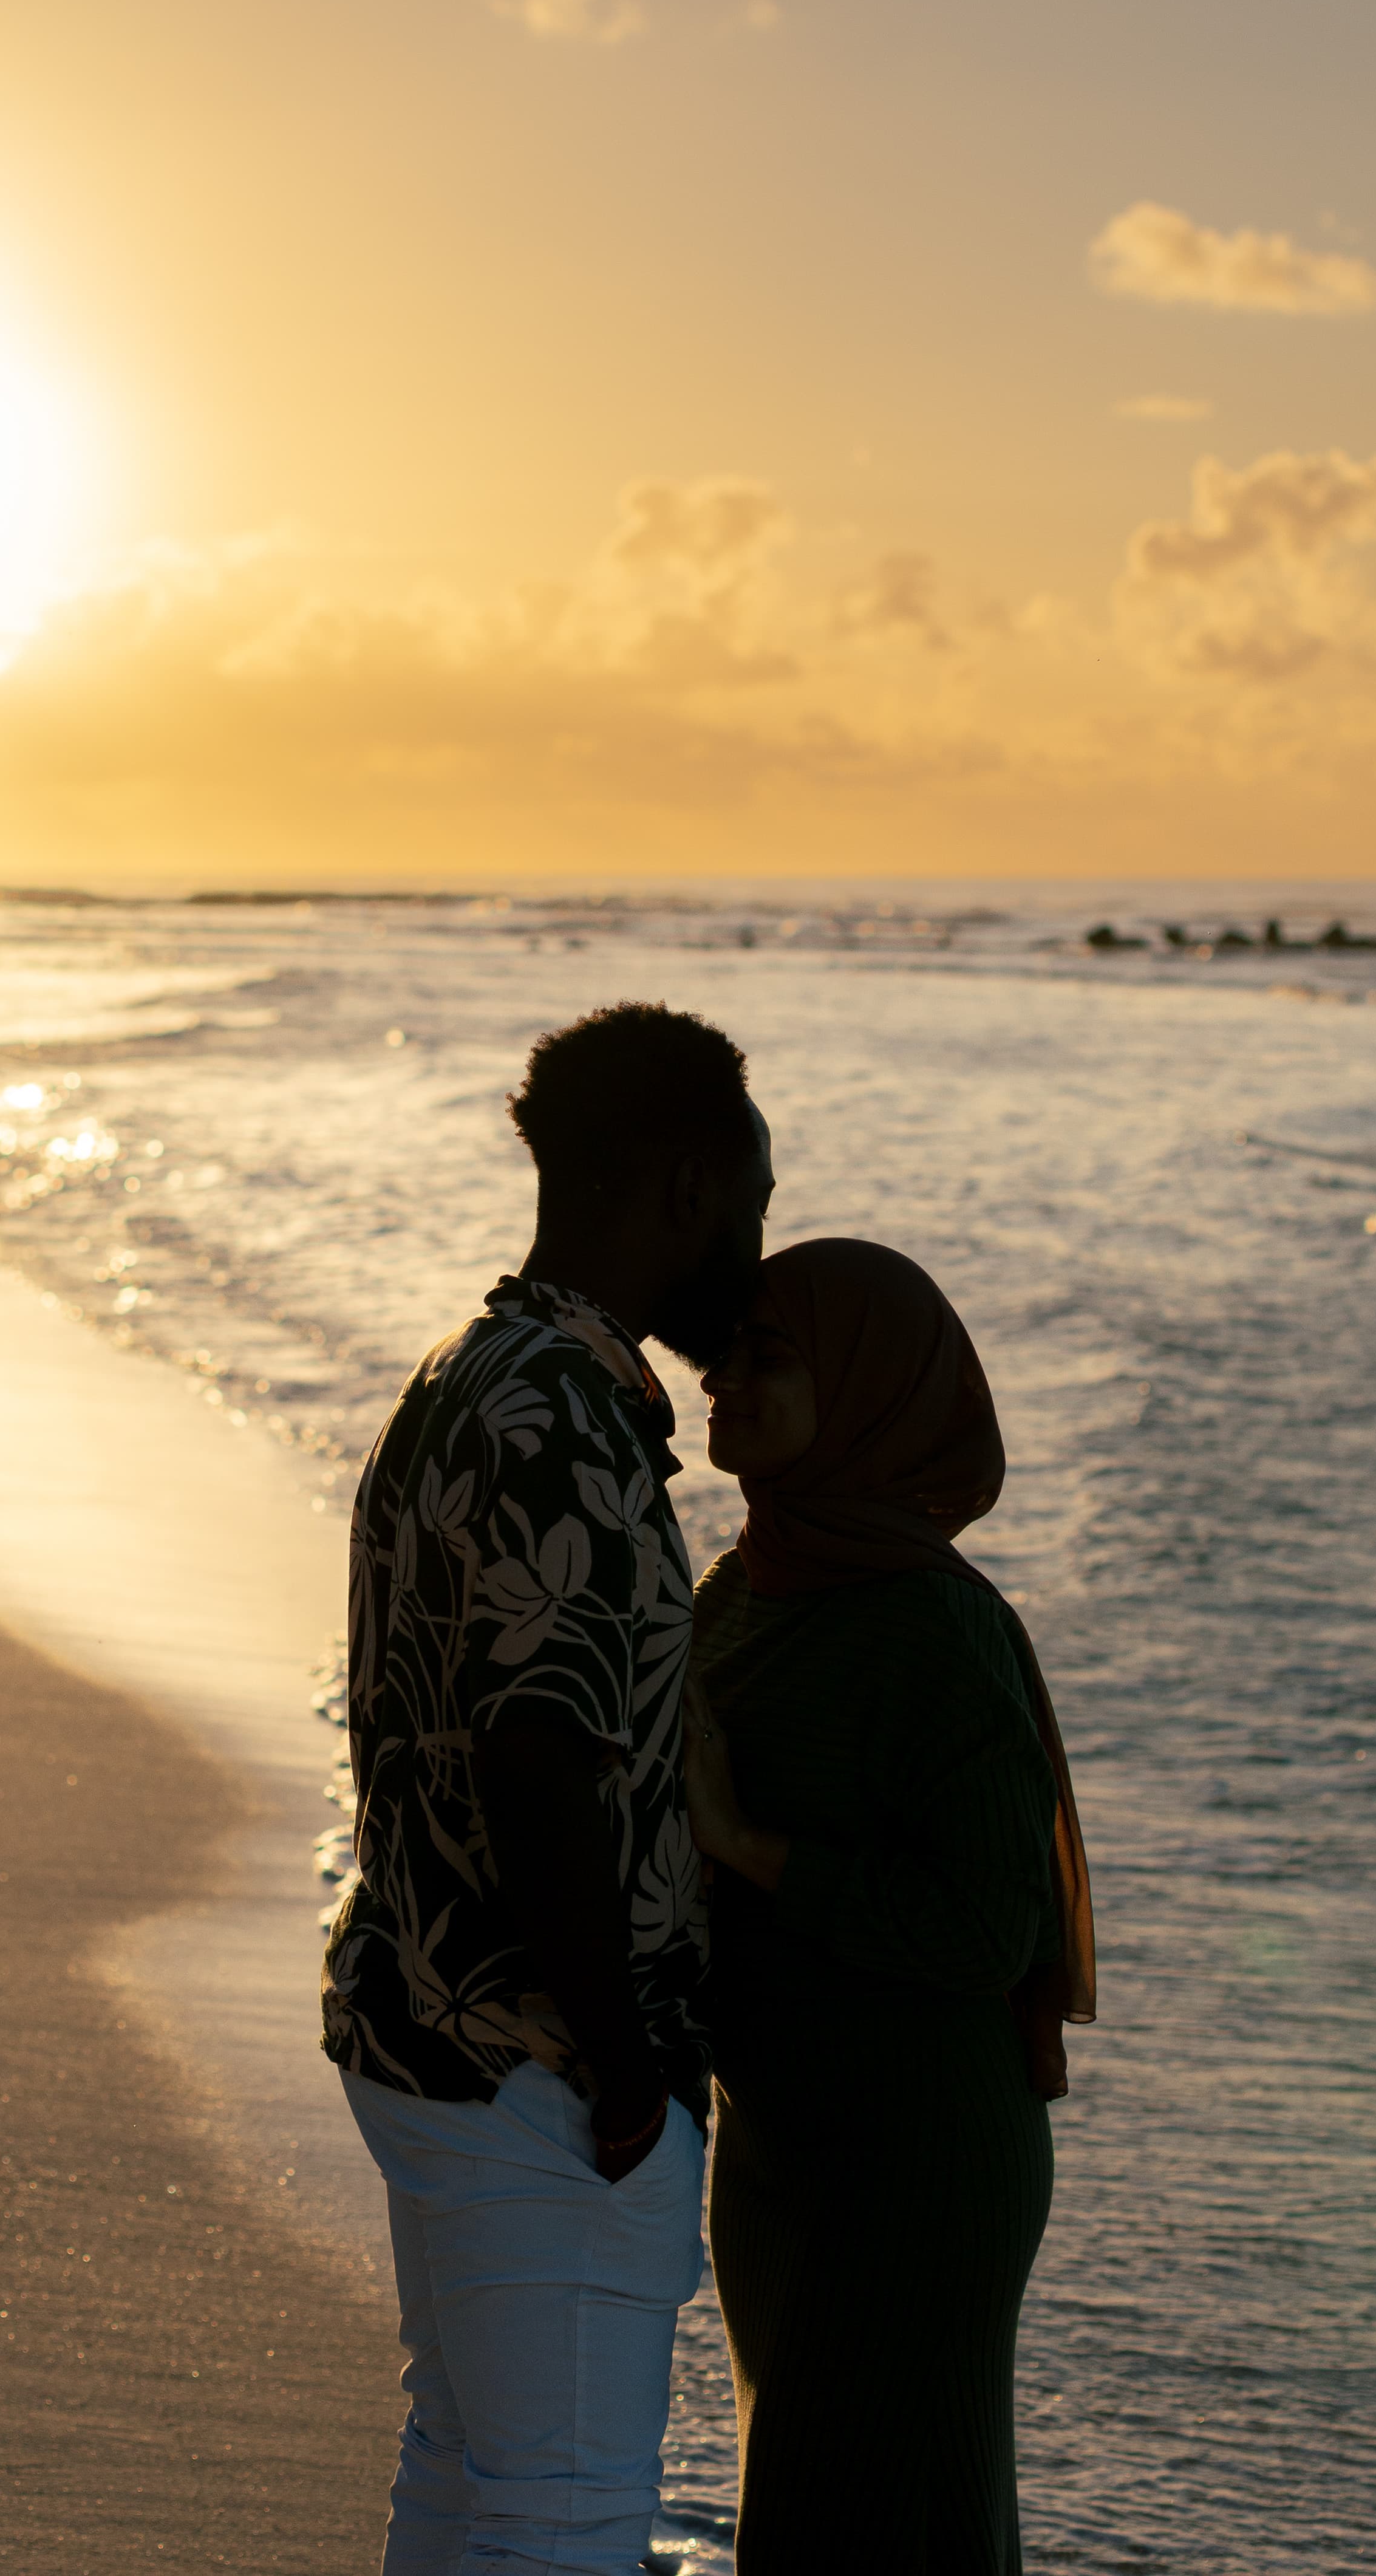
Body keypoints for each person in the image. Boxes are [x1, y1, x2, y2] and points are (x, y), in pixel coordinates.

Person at [322, 1000, 777, 2575]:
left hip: (426, 2019)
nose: (756, 1245)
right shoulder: (566, 1430)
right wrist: (627, 2058)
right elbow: (538, 1761)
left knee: (468, 2484)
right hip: (536, 2068)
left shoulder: (473, 1371)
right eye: (753, 1201)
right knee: (563, 2521)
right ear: (682, 1188)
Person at [682, 1238, 1094, 2575]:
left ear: (864, 1388)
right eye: (721, 1350)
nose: (720, 1378)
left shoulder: (934, 1627)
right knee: (805, 2519)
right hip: (779, 2142)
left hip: (915, 2159)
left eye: (767, 1356)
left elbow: (988, 1928)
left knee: (872, 2526)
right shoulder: (741, 1586)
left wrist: (751, 1848)